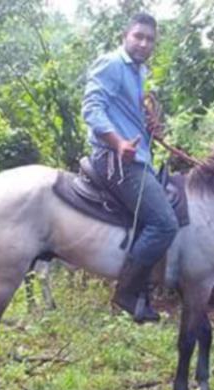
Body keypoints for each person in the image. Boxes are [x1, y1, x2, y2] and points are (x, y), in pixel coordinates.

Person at [82, 12, 176, 323]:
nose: (143, 43)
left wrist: (150, 128)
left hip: (137, 158)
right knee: (165, 223)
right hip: (115, 159)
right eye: (138, 36)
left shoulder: (139, 73)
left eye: (149, 39)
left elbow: (124, 116)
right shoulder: (111, 64)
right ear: (126, 35)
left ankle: (143, 290)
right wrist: (118, 142)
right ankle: (127, 291)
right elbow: (92, 109)